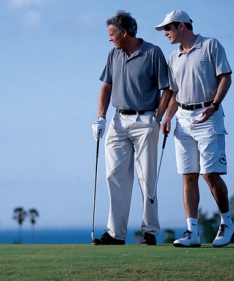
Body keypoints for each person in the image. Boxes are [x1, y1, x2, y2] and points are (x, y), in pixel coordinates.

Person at [155, 10, 234, 247]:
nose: (165, 33)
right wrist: (168, 117)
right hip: (183, 118)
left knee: (210, 174)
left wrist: (214, 106)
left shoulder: (211, 45)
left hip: (208, 116)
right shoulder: (173, 57)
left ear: (182, 26)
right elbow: (174, 93)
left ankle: (227, 222)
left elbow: (226, 78)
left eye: (167, 29)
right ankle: (192, 232)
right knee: (188, 176)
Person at [91, 10, 171, 245]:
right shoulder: (113, 54)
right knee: (114, 177)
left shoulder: (153, 53)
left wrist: (158, 116)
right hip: (117, 121)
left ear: (124, 33)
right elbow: (106, 87)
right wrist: (101, 117)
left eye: (112, 34)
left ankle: (149, 231)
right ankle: (116, 234)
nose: (109, 38)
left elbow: (167, 89)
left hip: (145, 121)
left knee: (147, 178)